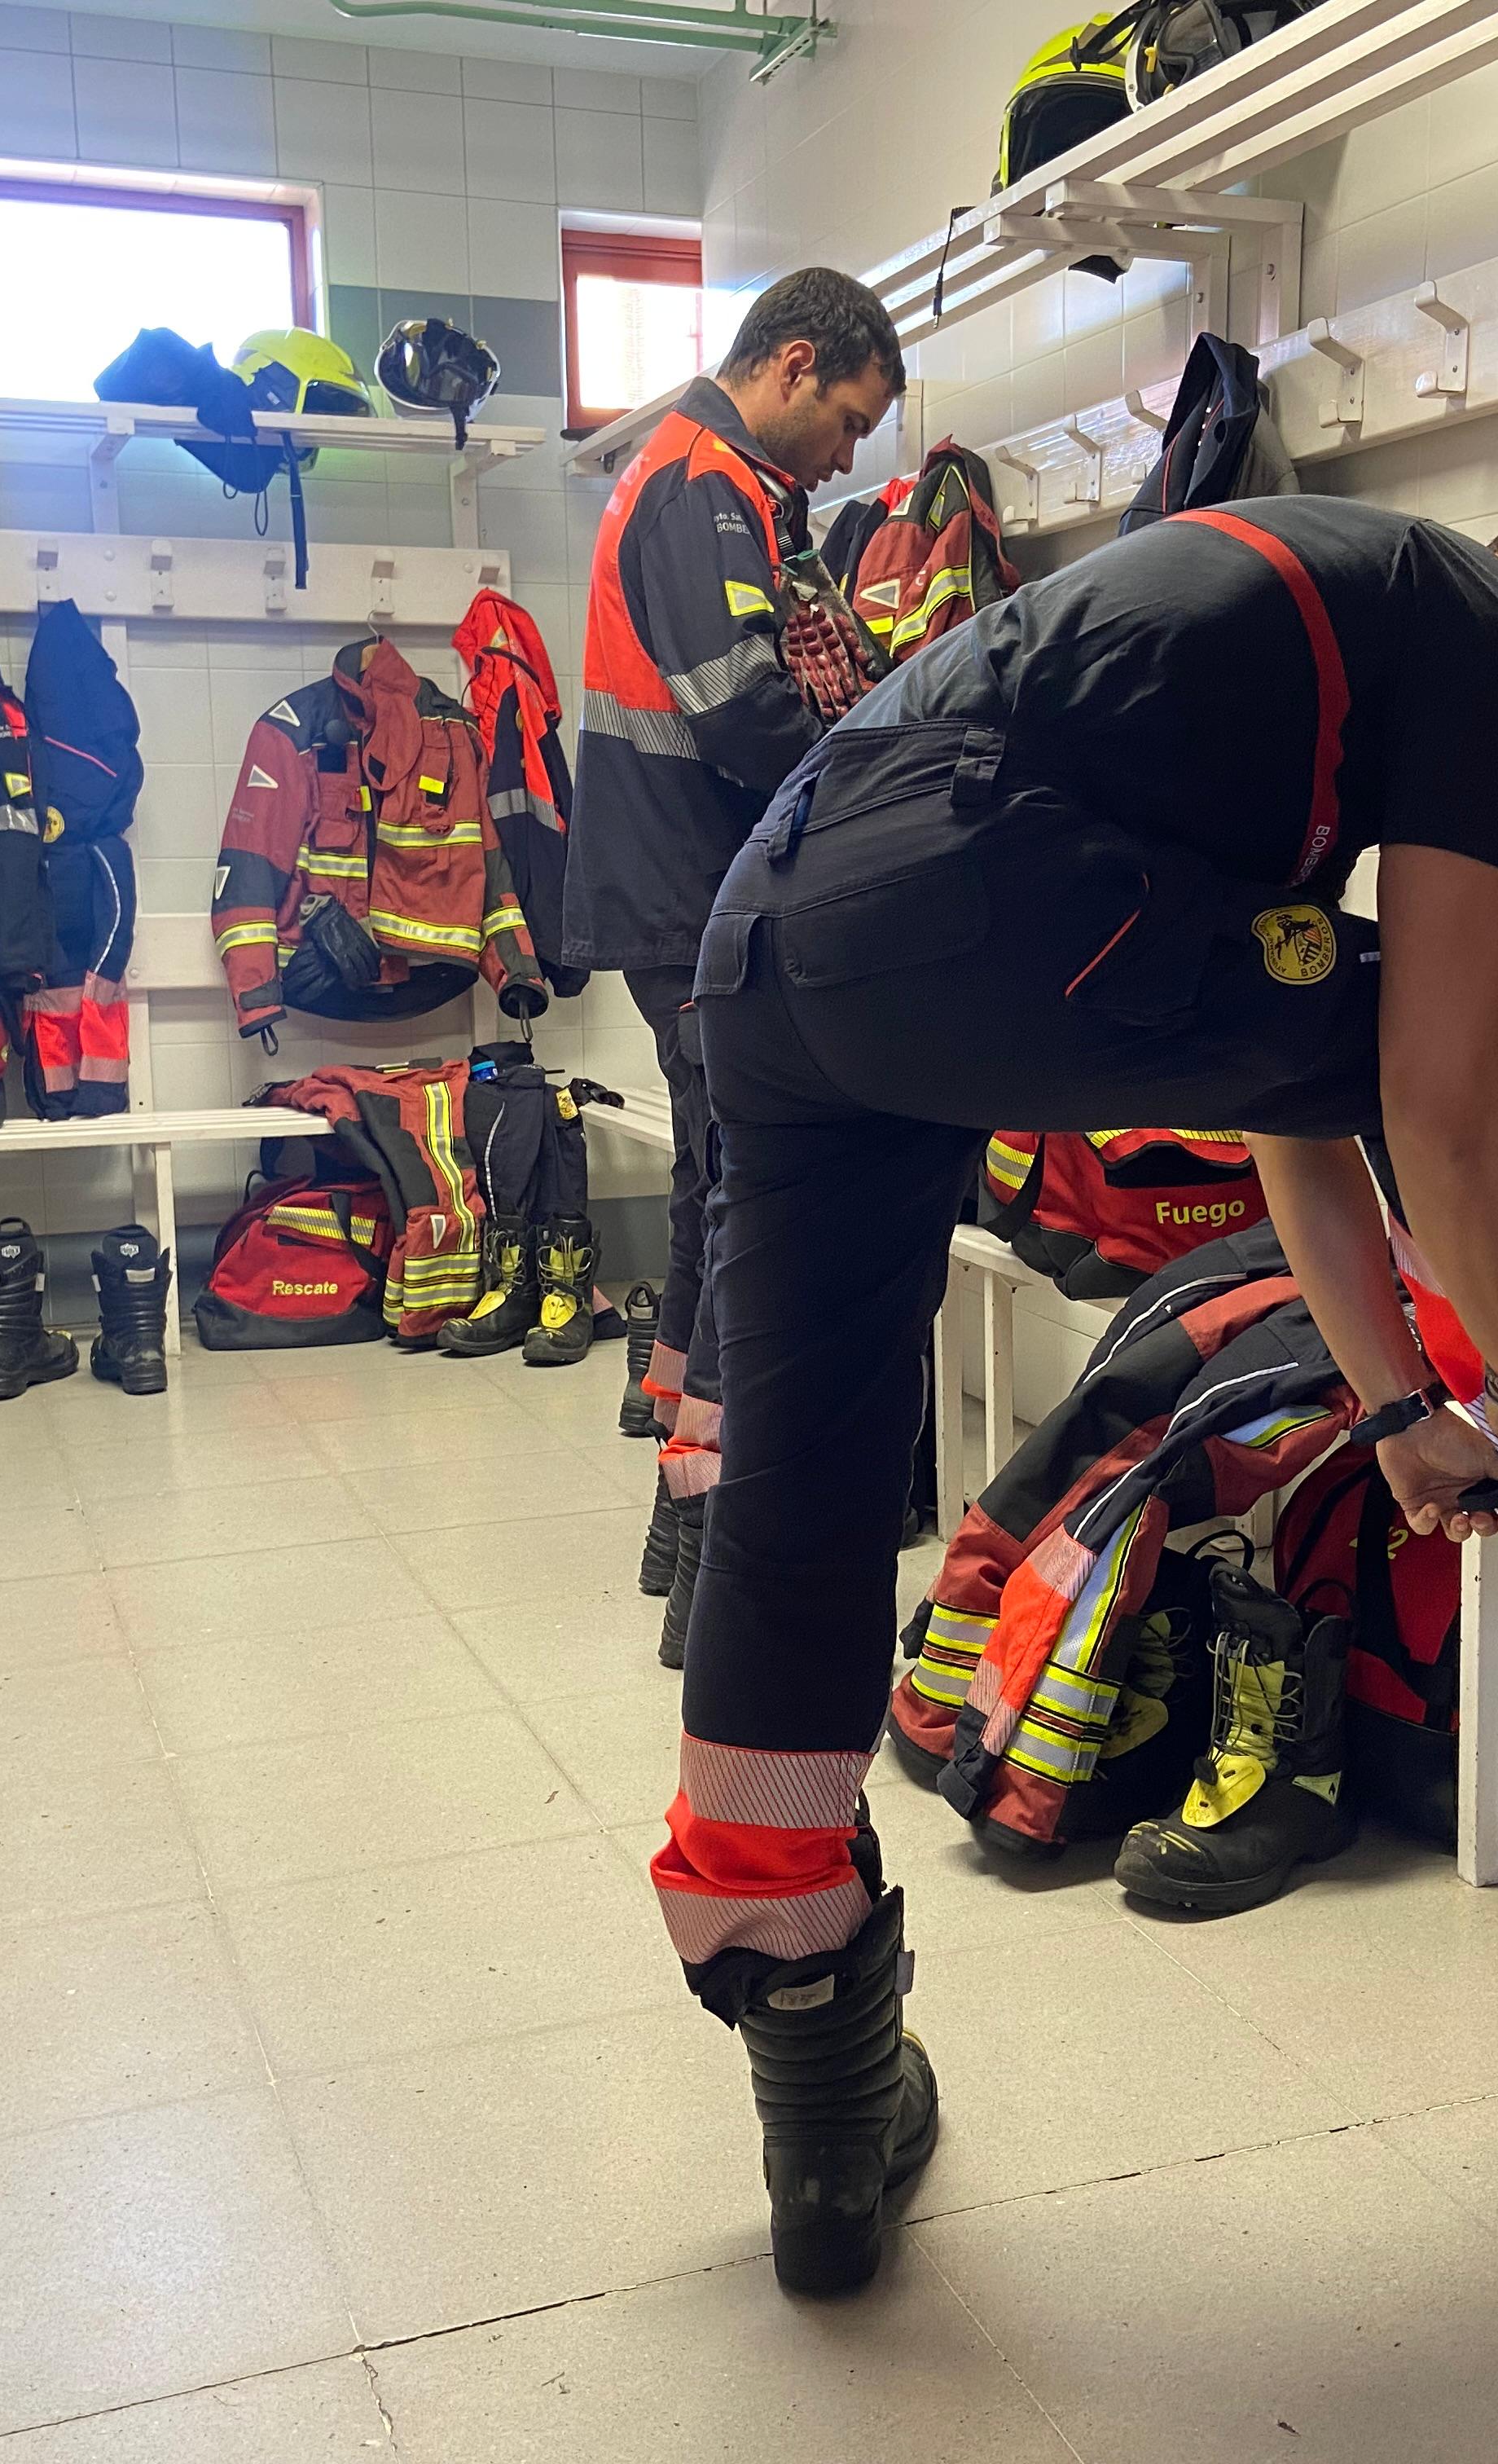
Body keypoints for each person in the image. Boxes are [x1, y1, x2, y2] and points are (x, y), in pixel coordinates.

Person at [652, 454, 1498, 2296]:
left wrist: (1398, 1414)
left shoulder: (1305, 645)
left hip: (770, 950)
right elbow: (1426, 1091)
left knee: (801, 1503)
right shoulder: (1497, 651)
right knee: (1455, 1033)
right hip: (965, 901)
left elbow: (1283, 1091)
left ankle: (819, 2084)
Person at [564, 269, 905, 1661]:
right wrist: (892, 790)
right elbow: (744, 712)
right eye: (845, 420)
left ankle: (679, 1523)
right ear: (794, 365)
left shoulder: (735, 490)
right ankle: (708, 1546)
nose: (846, 455)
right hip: (693, 895)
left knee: (717, 1190)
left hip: (694, 894)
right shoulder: (701, 483)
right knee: (740, 1206)